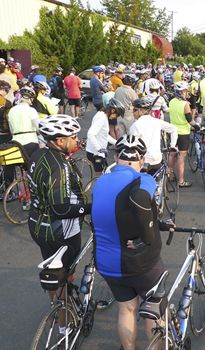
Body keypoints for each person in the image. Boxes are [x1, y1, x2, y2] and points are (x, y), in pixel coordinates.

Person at [91, 135, 173, 350]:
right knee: (153, 310)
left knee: (126, 308)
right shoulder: (143, 180)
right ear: (142, 159)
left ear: (116, 156)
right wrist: (146, 239)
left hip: (107, 262)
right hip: (140, 262)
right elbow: (140, 201)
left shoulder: (100, 182)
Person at [28, 115, 89, 301]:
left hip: (37, 223)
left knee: (52, 271)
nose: (77, 140)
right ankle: (65, 325)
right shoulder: (59, 166)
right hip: (59, 230)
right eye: (74, 136)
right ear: (60, 141)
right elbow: (61, 209)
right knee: (65, 277)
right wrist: (89, 208)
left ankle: (55, 306)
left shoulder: (38, 154)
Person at [129, 97, 178, 174]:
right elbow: (174, 129)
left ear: (141, 111)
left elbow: (132, 145)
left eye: (134, 110)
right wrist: (172, 146)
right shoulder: (157, 121)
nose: (133, 112)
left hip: (143, 161)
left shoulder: (135, 126)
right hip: (157, 159)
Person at [169, 81, 198, 188]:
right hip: (183, 133)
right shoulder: (185, 104)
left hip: (172, 131)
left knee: (172, 154)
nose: (187, 93)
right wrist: (198, 126)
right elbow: (190, 120)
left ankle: (169, 174)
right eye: (186, 91)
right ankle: (181, 181)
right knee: (181, 156)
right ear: (182, 92)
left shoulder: (171, 101)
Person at [86, 98, 124, 175]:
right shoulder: (101, 117)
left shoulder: (103, 116)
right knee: (101, 177)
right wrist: (99, 149)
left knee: (105, 174)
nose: (115, 117)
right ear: (112, 110)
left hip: (98, 152)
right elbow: (90, 134)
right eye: (117, 115)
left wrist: (117, 143)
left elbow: (104, 135)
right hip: (95, 152)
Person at [7, 86, 40, 157]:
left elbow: (11, 130)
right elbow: (38, 127)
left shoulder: (11, 110)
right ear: (30, 99)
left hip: (16, 142)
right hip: (31, 141)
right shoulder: (31, 110)